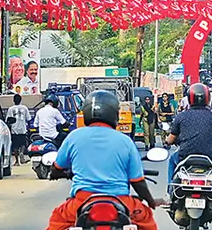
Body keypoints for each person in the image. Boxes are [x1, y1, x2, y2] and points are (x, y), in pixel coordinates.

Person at [46, 91, 161, 230]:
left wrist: (62, 174)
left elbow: (56, 169)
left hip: (81, 200)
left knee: (57, 221)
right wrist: (151, 202)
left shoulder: (73, 137)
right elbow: (137, 181)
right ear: (115, 114)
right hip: (121, 199)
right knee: (147, 221)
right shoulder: (126, 141)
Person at [166, 83, 212, 186]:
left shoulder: (181, 117)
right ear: (207, 98)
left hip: (184, 156)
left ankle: (171, 188)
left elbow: (171, 139)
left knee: (172, 160)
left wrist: (167, 142)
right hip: (207, 156)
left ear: (189, 98)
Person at [6, 94, 30, 166]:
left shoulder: (11, 109)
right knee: (23, 143)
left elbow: (8, 119)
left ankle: (17, 161)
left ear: (13, 100)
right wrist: (28, 128)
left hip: (14, 129)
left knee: (15, 146)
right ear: (20, 100)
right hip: (22, 129)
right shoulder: (25, 108)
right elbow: (28, 119)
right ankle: (22, 152)